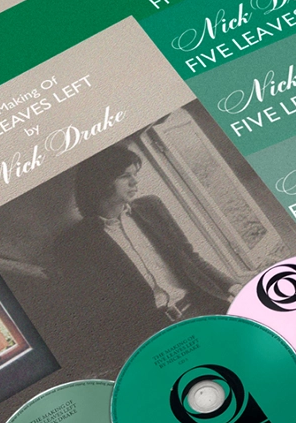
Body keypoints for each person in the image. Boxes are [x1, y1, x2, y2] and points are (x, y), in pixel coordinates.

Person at [54, 145, 237, 358]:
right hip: (155, 335)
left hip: (202, 308)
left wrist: (234, 286)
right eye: (125, 176)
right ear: (100, 183)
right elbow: (99, 310)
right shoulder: (76, 243)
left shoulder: (151, 206)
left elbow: (191, 257)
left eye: (135, 174)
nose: (135, 182)